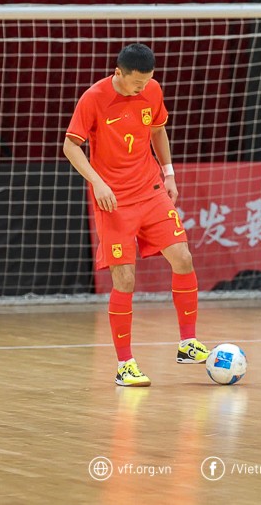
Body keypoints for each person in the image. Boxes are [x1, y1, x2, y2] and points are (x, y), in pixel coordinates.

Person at [63, 43, 208, 387]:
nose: (142, 88)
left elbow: (157, 130)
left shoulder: (152, 90)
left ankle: (188, 342)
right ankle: (125, 364)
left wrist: (169, 172)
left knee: (183, 257)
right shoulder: (94, 98)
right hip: (114, 200)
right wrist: (97, 183)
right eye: (136, 83)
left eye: (147, 82)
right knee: (125, 279)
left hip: (150, 189)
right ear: (118, 73)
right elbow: (71, 146)